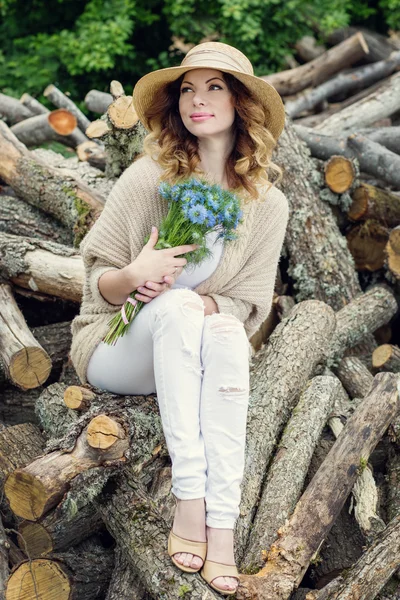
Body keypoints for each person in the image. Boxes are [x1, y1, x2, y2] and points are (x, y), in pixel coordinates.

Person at [70, 41, 289, 596]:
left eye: (214, 87)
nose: (198, 100)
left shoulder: (268, 205)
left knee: (220, 327)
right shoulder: (151, 178)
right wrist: (136, 273)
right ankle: (188, 500)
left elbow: (247, 304)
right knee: (176, 307)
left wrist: (203, 306)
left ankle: (222, 527)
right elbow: (95, 280)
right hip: (115, 348)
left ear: (242, 103)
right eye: (188, 89)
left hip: (194, 347)